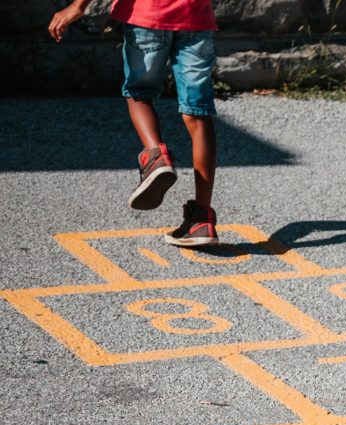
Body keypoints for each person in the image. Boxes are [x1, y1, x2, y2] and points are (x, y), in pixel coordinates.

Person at [48, 0, 221, 246]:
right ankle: (202, 219)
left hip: (147, 15)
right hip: (196, 18)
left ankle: (155, 156)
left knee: (139, 93)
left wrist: (78, 6)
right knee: (198, 113)